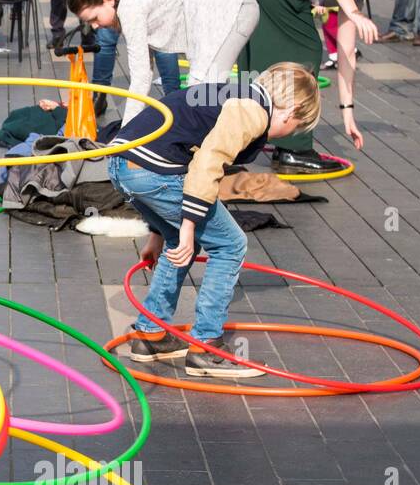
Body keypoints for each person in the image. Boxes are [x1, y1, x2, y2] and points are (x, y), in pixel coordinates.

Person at [108, 64, 321, 378]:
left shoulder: (234, 92)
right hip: (154, 170)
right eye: (297, 128)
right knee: (231, 245)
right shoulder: (254, 109)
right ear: (291, 111)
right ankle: (206, 347)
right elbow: (208, 161)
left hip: (122, 163)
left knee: (183, 243)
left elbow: (176, 138)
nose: (290, 134)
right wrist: (189, 227)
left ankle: (150, 336)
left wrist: (161, 234)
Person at [227, 0, 420, 172]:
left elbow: (346, 51)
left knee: (258, 50)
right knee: (306, 49)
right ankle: (293, 149)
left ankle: (242, 134)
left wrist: (347, 113)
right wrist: (355, 13)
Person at [69, 0, 259, 123]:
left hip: (236, 8)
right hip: (231, 6)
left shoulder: (130, 7)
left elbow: (141, 78)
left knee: (204, 93)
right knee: (202, 94)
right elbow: (145, 71)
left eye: (94, 18)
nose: (94, 27)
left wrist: (124, 136)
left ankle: (213, 154)